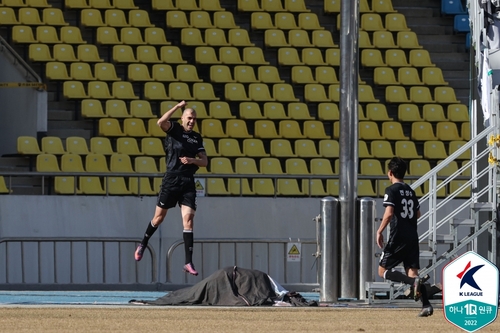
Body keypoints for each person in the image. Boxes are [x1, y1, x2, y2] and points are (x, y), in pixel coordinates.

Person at [134, 100, 208, 276]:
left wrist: (192, 160)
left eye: (194, 119)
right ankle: (143, 243)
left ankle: (188, 262)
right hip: (171, 180)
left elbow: (205, 162)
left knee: (188, 220)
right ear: (182, 118)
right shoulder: (174, 129)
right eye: (189, 118)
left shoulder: (197, 137)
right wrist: (176, 106)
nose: (192, 122)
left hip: (188, 182)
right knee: (159, 218)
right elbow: (160, 122)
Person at [376, 157, 433, 317]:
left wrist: (379, 231)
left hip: (398, 237)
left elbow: (389, 213)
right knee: (413, 273)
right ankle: (426, 305)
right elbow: (418, 213)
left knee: (382, 271)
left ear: (390, 173)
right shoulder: (410, 190)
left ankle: (411, 283)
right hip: (412, 236)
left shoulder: (391, 190)